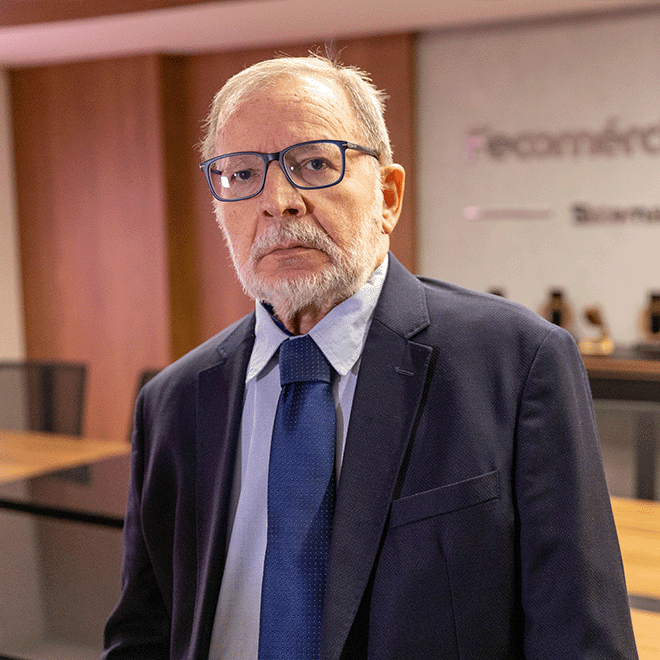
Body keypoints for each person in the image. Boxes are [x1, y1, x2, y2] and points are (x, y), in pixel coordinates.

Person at [103, 55, 638, 659]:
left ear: (387, 196)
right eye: (242, 173)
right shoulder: (172, 402)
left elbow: (581, 639)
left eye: (313, 164)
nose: (278, 201)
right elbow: (142, 637)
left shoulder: (517, 363)